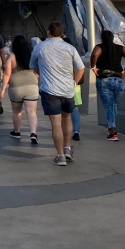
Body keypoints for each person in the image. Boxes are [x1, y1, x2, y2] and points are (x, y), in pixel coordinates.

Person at [30, 21, 84, 166]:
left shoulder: (40, 47)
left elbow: (33, 67)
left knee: (56, 124)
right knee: (67, 119)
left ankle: (59, 156)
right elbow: (80, 68)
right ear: (61, 34)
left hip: (50, 90)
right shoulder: (70, 48)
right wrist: (74, 83)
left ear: (48, 32)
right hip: (68, 90)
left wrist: (43, 76)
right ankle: (67, 149)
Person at [91, 29, 125, 140]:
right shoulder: (119, 48)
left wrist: (93, 67)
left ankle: (112, 131)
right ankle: (114, 126)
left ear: (102, 38)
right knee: (115, 104)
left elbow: (95, 54)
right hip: (119, 79)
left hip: (104, 79)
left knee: (109, 105)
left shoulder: (99, 47)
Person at [2, 34, 39, 145]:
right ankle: (33, 133)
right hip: (32, 85)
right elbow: (37, 69)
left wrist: (3, 88)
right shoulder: (31, 54)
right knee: (32, 112)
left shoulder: (12, 56)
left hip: (16, 86)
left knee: (16, 111)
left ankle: (17, 131)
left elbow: (7, 73)